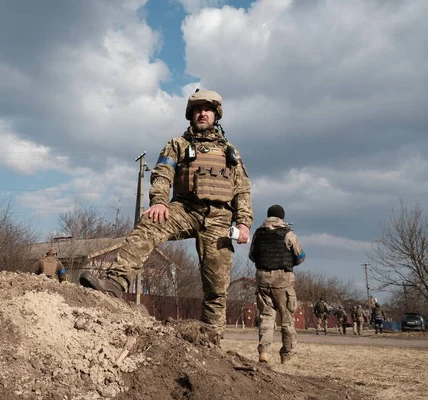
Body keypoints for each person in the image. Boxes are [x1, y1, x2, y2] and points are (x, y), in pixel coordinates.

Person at [79, 89, 253, 332]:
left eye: (207, 110)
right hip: (185, 209)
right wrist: (159, 201)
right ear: (191, 115)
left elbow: (242, 189)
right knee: (149, 224)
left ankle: (212, 341)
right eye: (197, 110)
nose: (202, 113)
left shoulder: (230, 152)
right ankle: (114, 284)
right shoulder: (178, 144)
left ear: (216, 115)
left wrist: (243, 223)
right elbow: (162, 174)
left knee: (217, 287)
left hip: (220, 219)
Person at [248, 205, 306, 364]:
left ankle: (264, 352)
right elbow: (301, 256)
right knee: (287, 319)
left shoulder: (258, 234)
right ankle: (286, 354)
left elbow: (252, 256)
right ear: (282, 217)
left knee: (266, 318)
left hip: (263, 279)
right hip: (283, 281)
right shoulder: (288, 234)